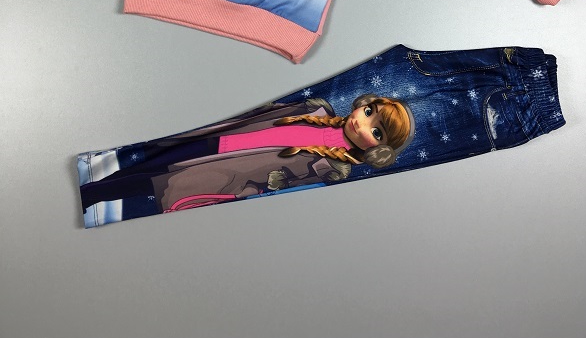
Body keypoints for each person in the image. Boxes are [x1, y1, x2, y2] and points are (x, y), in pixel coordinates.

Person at [79, 94, 413, 217]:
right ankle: (92, 185)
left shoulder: (333, 166)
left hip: (229, 171)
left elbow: (286, 184)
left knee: (153, 184)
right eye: (369, 112)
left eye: (377, 132)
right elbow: (270, 113)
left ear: (378, 149)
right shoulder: (318, 110)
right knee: (148, 164)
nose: (363, 123)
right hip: (219, 142)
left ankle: (91, 194)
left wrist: (272, 181)